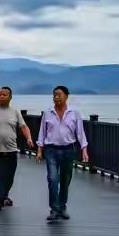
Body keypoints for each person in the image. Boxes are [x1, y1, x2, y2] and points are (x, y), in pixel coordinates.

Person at [37, 85, 89, 221]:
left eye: (59, 94)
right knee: (53, 179)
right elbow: (42, 132)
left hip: (68, 150)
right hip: (51, 150)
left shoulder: (74, 113)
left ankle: (62, 206)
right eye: (54, 95)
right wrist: (39, 150)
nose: (56, 97)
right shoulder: (48, 113)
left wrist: (84, 150)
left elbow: (80, 133)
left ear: (66, 96)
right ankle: (54, 209)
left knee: (65, 180)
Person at [0, 86, 34, 210]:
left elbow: (23, 127)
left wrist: (29, 138)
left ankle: (3, 197)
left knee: (9, 178)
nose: (1, 97)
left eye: (4, 95)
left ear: (10, 97)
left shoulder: (15, 111)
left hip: (11, 151)